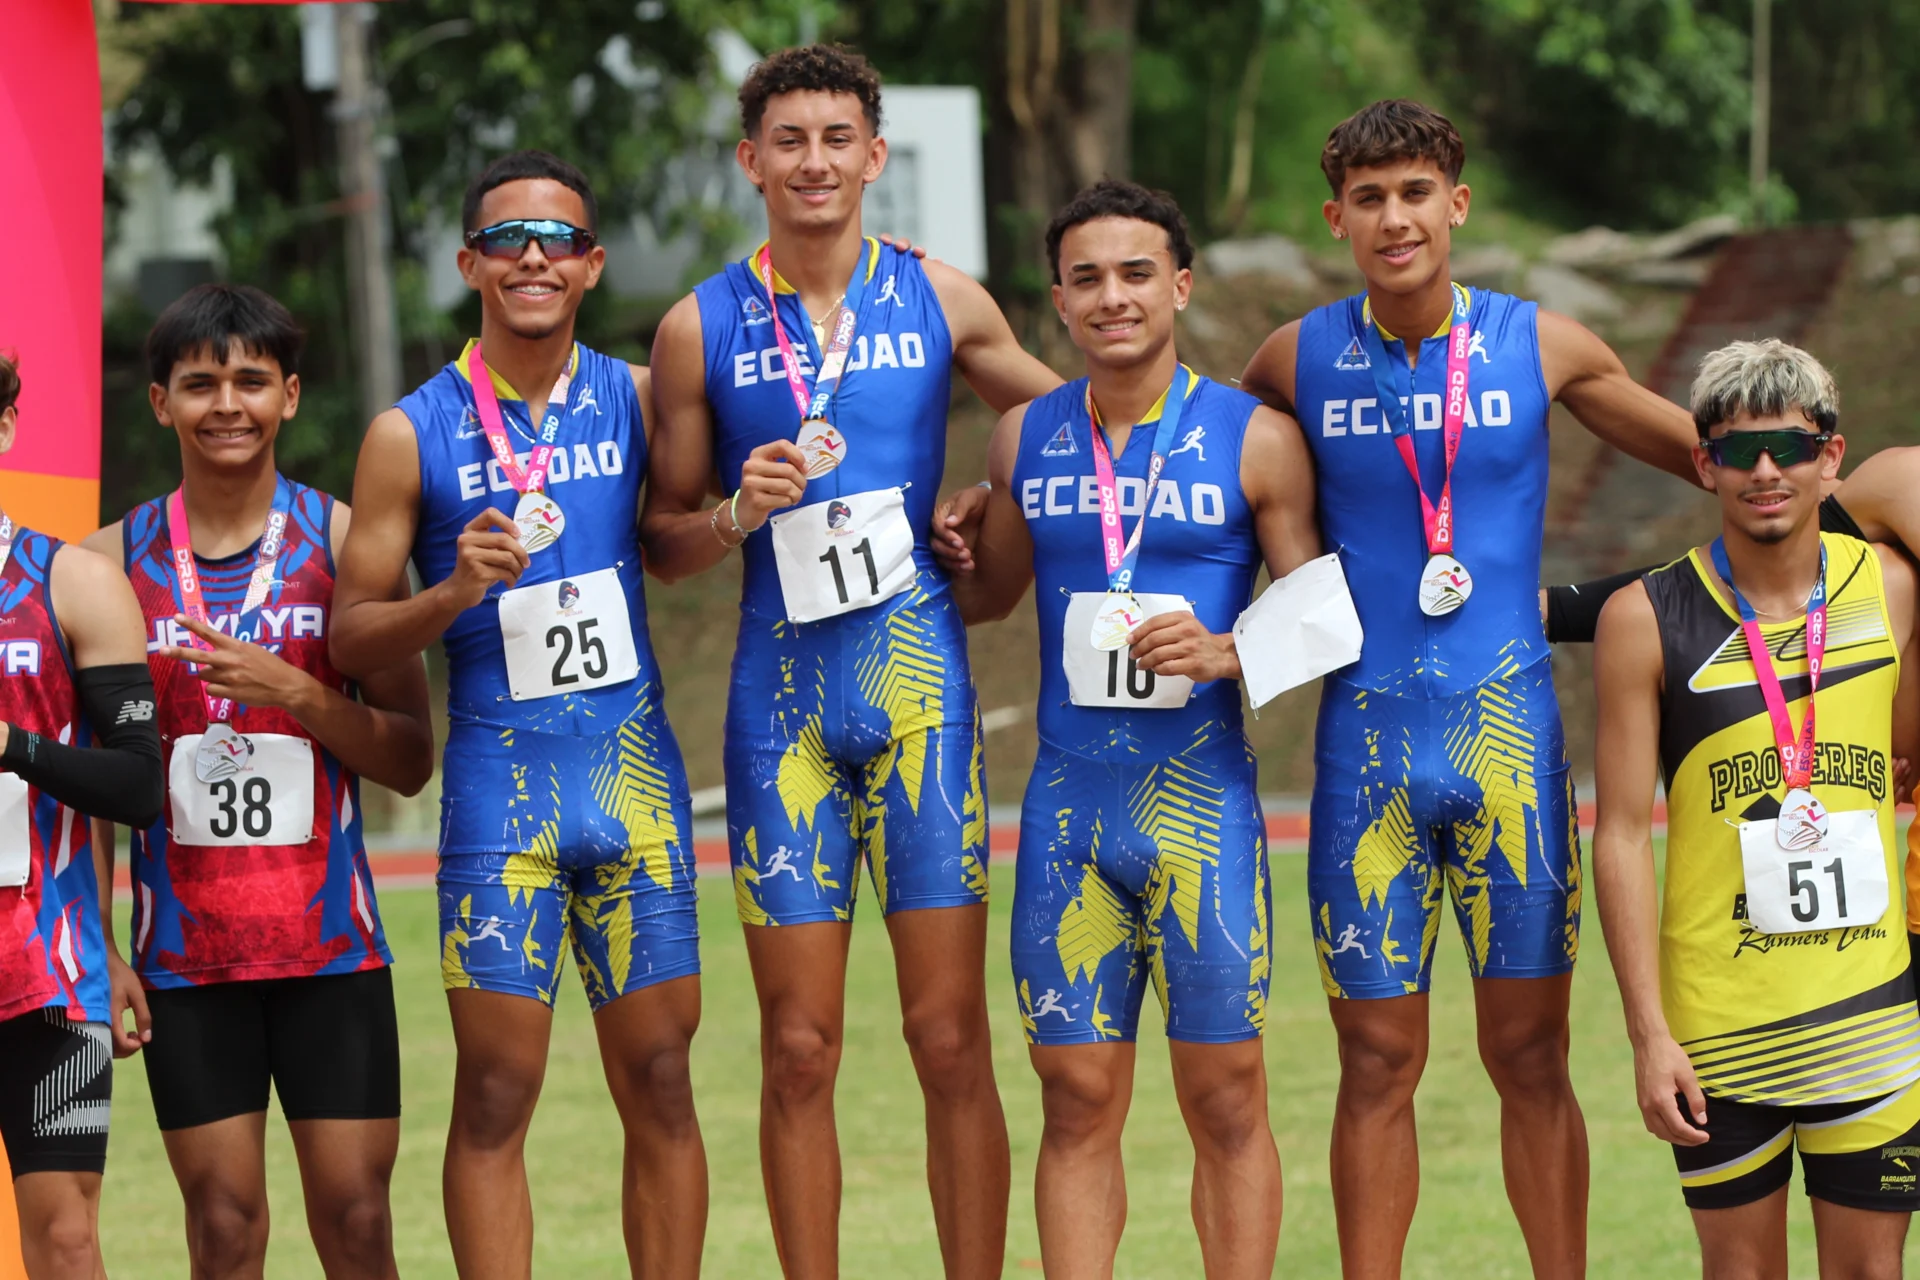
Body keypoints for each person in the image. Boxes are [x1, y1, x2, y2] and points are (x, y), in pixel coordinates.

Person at [1233, 99, 1701, 1277]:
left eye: (1415, 193)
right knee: (1375, 1063)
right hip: (1366, 757)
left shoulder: (1543, 344)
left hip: (1512, 753)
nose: (1395, 218)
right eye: (1370, 199)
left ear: (1458, 203)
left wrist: (1852, 502)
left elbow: (1714, 458)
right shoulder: (1293, 358)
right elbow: (1206, 478)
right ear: (1336, 217)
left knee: (1532, 1058)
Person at [639, 44, 1060, 1277]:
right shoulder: (698, 327)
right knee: (797, 1047)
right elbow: (661, 541)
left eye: (837, 139)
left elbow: (1081, 428)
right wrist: (733, 512)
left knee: (949, 1036)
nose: (813, 161)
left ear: (875, 156)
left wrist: (988, 495)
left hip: (921, 694)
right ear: (751, 160)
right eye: (790, 139)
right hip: (782, 716)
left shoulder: (942, 296)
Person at [329, 151, 706, 1276]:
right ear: (469, 264)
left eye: (557, 239)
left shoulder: (640, 396)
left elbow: (696, 525)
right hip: (503, 792)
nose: (532, 256)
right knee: (496, 1089)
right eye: (506, 238)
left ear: (592, 265)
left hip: (635, 783)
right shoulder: (410, 432)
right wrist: (449, 593)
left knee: (663, 1079)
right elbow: (350, 636)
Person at [933, 180, 1318, 1277]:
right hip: (1068, 815)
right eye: (1087, 278)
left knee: (1226, 1094)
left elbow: (1323, 614)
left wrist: (1231, 649)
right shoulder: (1023, 436)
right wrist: (954, 545)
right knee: (1073, 1096)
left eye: (1137, 273)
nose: (1114, 297)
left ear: (1181, 286)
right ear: (1058, 299)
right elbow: (991, 597)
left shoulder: (1258, 439)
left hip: (1202, 809)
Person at [82, 285, 434, 1280]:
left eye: (250, 380)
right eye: (200, 384)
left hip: (331, 952)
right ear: (161, 402)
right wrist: (102, 940)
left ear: (290, 394)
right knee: (225, 1228)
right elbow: (94, 780)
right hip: (185, 963)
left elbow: (411, 756)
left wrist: (302, 694)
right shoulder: (107, 564)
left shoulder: (347, 543)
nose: (227, 404)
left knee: (358, 1222)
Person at [1591, 339, 1920, 1276]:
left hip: (1873, 1022)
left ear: (1832, 457)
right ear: (1705, 464)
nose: (1766, 471)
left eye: (1791, 447)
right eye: (1739, 450)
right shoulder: (1643, 619)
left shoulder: (1894, 590)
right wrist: (1647, 1035)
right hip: (1719, 1031)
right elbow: (1619, 836)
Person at [0, 350, 165, 1279]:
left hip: (50, 972)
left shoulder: (71, 581)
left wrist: (12, 746)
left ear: (6, 427)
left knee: (65, 1240)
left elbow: (138, 786)